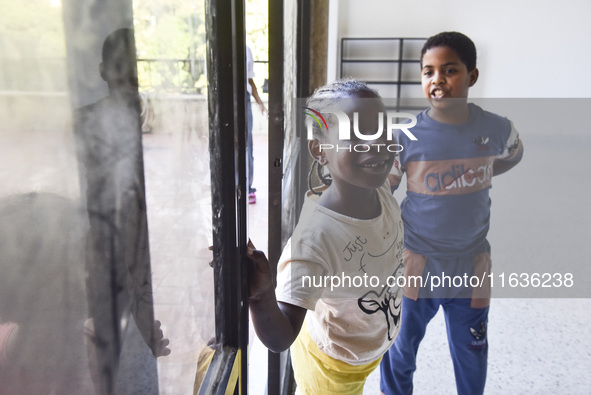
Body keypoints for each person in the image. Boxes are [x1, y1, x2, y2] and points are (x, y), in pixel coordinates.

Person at [379, 32, 524, 395]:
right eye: (428, 72)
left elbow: (512, 155)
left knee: (472, 353)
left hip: (472, 265)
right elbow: (383, 191)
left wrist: (478, 171)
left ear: (472, 76)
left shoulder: (497, 128)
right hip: (415, 264)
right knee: (400, 351)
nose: (437, 80)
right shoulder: (406, 136)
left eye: (449, 70)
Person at [247, 79, 405, 394]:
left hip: (366, 345)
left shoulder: (381, 187)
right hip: (333, 365)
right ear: (320, 149)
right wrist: (261, 295)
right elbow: (280, 338)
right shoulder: (314, 241)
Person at [246, 44, 266, 204]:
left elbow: (249, 80)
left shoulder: (245, 50)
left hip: (243, 99)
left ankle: (248, 188)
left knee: (247, 145)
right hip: (223, 101)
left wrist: (260, 103)